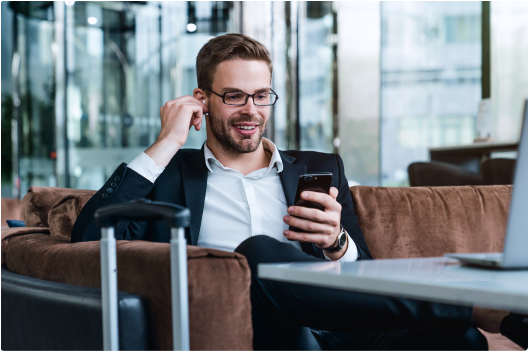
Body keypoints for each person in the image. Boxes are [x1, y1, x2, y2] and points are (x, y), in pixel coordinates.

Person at [72, 33, 506, 351]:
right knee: (256, 253)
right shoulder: (166, 174)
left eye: (262, 96)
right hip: (259, 328)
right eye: (235, 96)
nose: (251, 111)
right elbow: (87, 240)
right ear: (201, 100)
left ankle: (463, 316)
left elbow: (365, 270)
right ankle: (467, 305)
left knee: (460, 342)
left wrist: (337, 245)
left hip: (339, 331)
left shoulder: (321, 167)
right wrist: (167, 141)